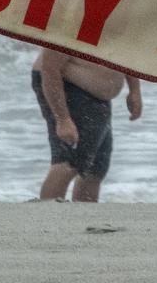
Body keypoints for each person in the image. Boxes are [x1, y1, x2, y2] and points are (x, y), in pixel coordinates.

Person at [31, 48, 142, 202]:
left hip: (96, 95)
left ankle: (83, 218)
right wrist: (63, 119)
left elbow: (126, 47)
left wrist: (134, 89)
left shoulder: (123, 24)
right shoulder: (72, 23)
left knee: (96, 167)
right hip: (66, 85)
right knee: (68, 162)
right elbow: (50, 68)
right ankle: (47, 218)